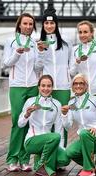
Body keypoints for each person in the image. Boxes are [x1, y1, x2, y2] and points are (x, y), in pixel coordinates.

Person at [70, 20, 96, 171]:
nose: (82, 35)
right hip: (84, 93)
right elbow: (71, 73)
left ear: (92, 33)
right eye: (80, 32)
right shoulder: (75, 50)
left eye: (85, 31)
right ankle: (90, 157)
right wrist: (76, 62)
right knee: (87, 124)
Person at [3, 13, 40, 171]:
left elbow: (38, 68)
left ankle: (25, 160)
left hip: (32, 86)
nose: (28, 26)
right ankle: (12, 159)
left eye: (31, 24)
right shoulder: (10, 41)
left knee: (29, 122)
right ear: (19, 25)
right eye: (25, 23)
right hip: (17, 86)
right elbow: (6, 63)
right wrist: (17, 52)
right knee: (17, 123)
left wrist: (43, 53)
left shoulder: (34, 43)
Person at [61, 74, 96, 176]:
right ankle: (91, 165)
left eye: (81, 83)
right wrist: (64, 115)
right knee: (70, 152)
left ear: (86, 86)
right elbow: (67, 126)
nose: (78, 85)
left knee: (85, 132)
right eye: (75, 83)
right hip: (85, 139)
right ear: (72, 86)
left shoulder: (95, 100)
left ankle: (88, 170)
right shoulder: (71, 103)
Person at [18, 75, 70, 176]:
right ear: (38, 87)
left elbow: (59, 129)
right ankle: (41, 167)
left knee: (64, 159)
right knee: (55, 136)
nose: (46, 88)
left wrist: (60, 148)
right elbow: (20, 124)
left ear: (52, 88)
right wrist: (26, 114)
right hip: (32, 141)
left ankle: (40, 159)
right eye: (43, 86)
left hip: (49, 142)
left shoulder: (56, 104)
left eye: (49, 86)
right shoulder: (30, 102)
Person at [36, 2, 73, 148]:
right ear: (43, 25)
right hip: (46, 88)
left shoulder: (66, 44)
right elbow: (37, 67)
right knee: (46, 121)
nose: (49, 26)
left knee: (62, 121)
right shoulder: (39, 44)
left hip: (63, 88)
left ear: (56, 25)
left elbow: (71, 67)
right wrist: (40, 52)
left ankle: (61, 154)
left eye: (52, 23)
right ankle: (47, 155)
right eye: (46, 23)